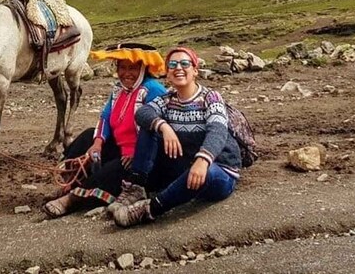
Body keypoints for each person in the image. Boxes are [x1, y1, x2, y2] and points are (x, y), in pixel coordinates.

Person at [112, 46, 241, 227]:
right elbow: (142, 113)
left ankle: (149, 209)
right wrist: (163, 126)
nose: (178, 68)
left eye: (184, 63)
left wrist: (203, 160)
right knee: (150, 127)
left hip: (218, 168)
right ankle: (136, 187)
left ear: (195, 70)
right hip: (184, 164)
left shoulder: (211, 98)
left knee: (208, 173)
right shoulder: (168, 98)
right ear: (168, 73)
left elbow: (218, 131)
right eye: (172, 64)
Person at [43, 44, 166, 217]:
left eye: (132, 68)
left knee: (115, 169)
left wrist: (138, 153)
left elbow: (159, 130)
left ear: (143, 69)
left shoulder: (154, 90)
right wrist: (98, 143)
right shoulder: (118, 90)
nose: (126, 73)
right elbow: (106, 117)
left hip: (142, 158)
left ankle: (72, 199)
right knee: (88, 136)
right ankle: (70, 184)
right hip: (120, 147)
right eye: (122, 67)